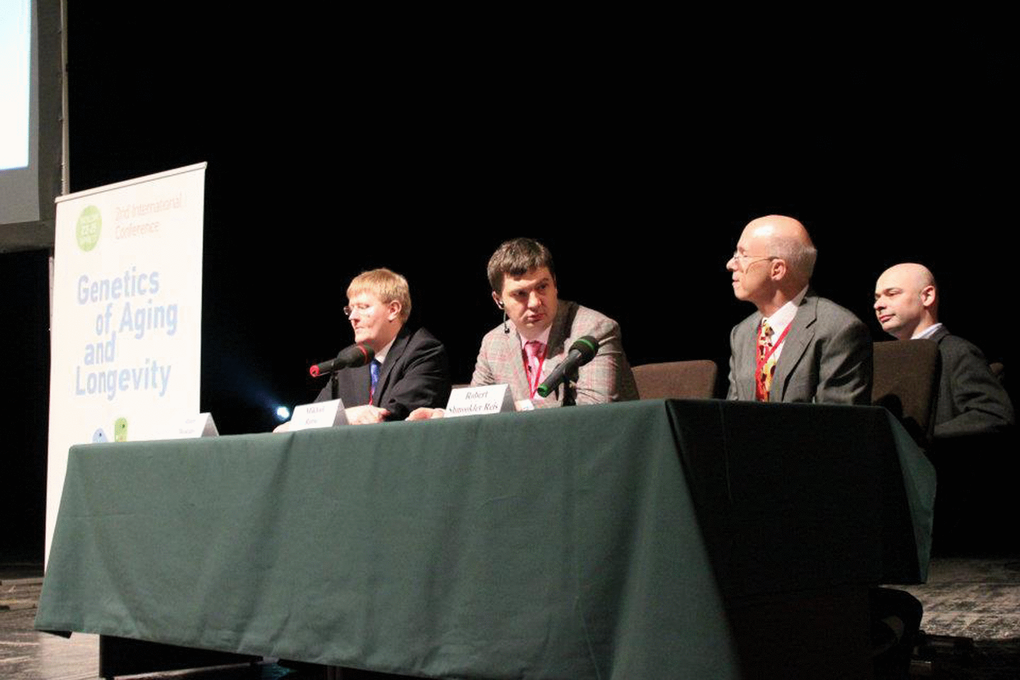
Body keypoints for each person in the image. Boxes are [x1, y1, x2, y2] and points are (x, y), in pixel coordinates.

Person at [408, 238, 637, 419]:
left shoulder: (593, 329)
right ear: (498, 300)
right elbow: (478, 406)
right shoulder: (493, 343)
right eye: (520, 294)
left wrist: (517, 408)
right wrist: (445, 415)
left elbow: (596, 409)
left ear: (555, 284)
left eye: (542, 287)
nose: (535, 302)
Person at [726, 215, 872, 404]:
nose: (730, 264)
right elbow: (732, 415)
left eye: (742, 255)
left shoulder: (838, 330)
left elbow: (836, 424)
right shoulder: (741, 334)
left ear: (777, 269)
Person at [279, 268, 450, 428]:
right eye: (350, 310)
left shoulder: (424, 350)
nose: (352, 317)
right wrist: (292, 425)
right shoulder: (350, 358)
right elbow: (315, 415)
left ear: (393, 310)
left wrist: (346, 416)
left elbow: (390, 416)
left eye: (363, 307)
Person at [874, 262, 1014, 438]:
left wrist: (919, 439)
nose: (878, 305)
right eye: (876, 297)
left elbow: (994, 415)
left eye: (892, 294)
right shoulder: (884, 359)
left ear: (927, 296)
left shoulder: (957, 352)